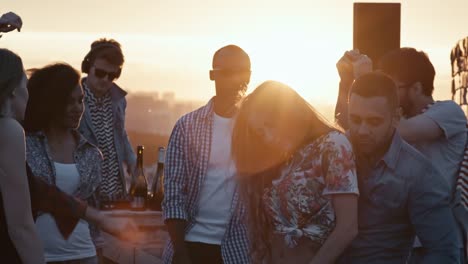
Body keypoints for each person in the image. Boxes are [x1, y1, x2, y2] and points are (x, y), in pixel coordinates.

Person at [231, 80, 359, 264]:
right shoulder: (279, 160)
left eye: (270, 124)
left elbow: (348, 228)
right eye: (260, 132)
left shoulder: (332, 145)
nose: (267, 136)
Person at [338, 72, 460, 263]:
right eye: (355, 119)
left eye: (374, 122)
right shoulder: (332, 154)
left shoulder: (419, 173)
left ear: (395, 118)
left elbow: (444, 253)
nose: (362, 130)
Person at [162, 45, 251, 264]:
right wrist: (181, 254)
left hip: (239, 249)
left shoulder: (256, 130)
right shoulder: (187, 126)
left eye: (243, 72)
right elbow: (174, 194)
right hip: (192, 245)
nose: (236, 80)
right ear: (213, 75)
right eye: (228, 72)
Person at [23, 63, 106, 263]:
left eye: (81, 101)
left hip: (85, 255)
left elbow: (95, 214)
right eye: (70, 102)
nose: (78, 109)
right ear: (52, 103)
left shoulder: (91, 154)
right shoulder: (25, 146)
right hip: (38, 256)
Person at [0, 48, 45, 264]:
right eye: (25, 86)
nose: (29, 94)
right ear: (12, 91)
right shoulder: (8, 130)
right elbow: (20, 226)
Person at [79, 38, 136, 203]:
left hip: (115, 194)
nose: (105, 79)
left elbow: (121, 135)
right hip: (86, 194)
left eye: (112, 75)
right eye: (100, 73)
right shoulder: (74, 99)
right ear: (87, 67)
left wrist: (132, 163)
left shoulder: (119, 101)